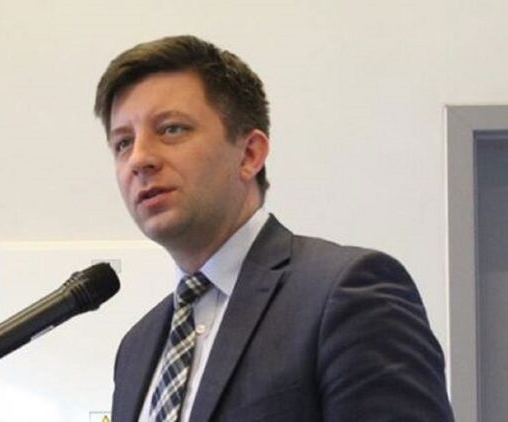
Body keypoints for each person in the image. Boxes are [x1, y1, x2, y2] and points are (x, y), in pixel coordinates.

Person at [93, 35, 454, 422]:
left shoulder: (345, 293)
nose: (140, 159)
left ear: (249, 154)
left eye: (171, 129)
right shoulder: (136, 348)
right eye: (123, 143)